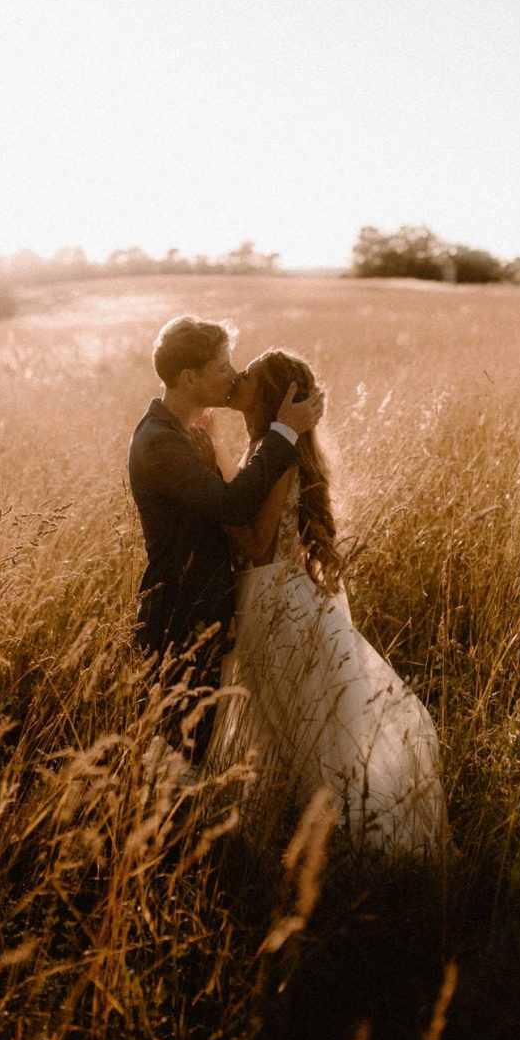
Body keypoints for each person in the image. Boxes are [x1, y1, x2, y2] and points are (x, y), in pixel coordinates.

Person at [208, 349, 449, 861]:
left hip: (275, 603)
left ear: (269, 397)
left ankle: (340, 841)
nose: (238, 378)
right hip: (275, 598)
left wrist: (212, 500)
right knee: (287, 723)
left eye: (248, 375)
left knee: (303, 727)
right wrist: (215, 451)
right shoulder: (265, 447)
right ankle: (302, 832)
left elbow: (257, 544)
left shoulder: (277, 455)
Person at [128, 317, 324, 761]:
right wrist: (285, 432)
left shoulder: (183, 432)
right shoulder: (160, 442)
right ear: (188, 378)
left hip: (208, 609)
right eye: (223, 367)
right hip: (182, 612)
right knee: (182, 751)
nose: (233, 376)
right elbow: (233, 508)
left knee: (203, 745)